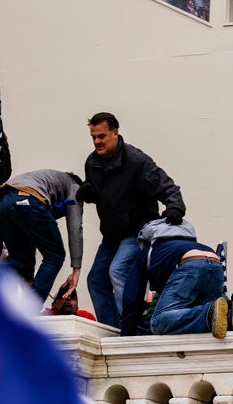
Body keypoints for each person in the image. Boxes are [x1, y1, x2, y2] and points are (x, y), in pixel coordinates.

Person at [80, 112, 186, 329]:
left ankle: (130, 325)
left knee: (117, 270)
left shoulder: (137, 161)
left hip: (136, 231)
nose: (97, 142)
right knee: (96, 280)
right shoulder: (92, 163)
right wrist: (89, 192)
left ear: (115, 133)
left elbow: (166, 185)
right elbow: (98, 190)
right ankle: (112, 328)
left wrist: (175, 206)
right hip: (111, 236)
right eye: (93, 137)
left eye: (101, 136)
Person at [119, 218, 233, 338]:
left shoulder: (150, 251)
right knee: (214, 322)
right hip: (215, 263)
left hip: (190, 264)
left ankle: (209, 313)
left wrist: (127, 334)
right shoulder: (190, 245)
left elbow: (132, 297)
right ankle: (230, 316)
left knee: (158, 322)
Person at [0, 170, 84, 303]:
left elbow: (32, 231)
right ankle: (31, 309)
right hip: (27, 199)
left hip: (1, 204)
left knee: (21, 261)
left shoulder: (46, 179)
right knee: (55, 256)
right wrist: (76, 268)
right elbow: (75, 226)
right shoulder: (75, 186)